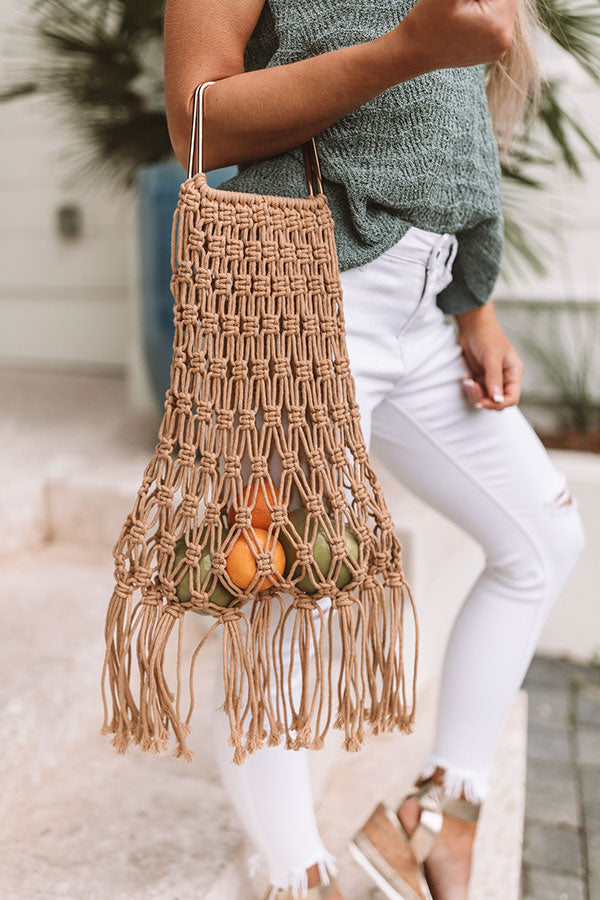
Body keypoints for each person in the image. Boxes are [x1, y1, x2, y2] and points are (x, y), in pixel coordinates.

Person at [164, 1, 586, 898]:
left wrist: (474, 306)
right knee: (289, 592)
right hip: (311, 289)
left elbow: (452, 112)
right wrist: (405, 49)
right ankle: (293, 872)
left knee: (542, 540)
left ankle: (441, 815)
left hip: (428, 308)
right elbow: (195, 122)